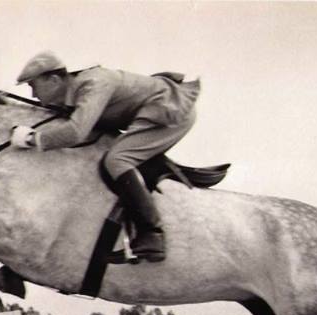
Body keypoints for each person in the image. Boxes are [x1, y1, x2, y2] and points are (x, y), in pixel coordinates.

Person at [11, 51, 200, 263]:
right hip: (155, 110)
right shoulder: (79, 90)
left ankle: (152, 234)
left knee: (116, 160)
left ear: (54, 80)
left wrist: (31, 139)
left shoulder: (93, 83)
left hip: (169, 110)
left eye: (33, 86)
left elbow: (76, 132)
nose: (34, 95)